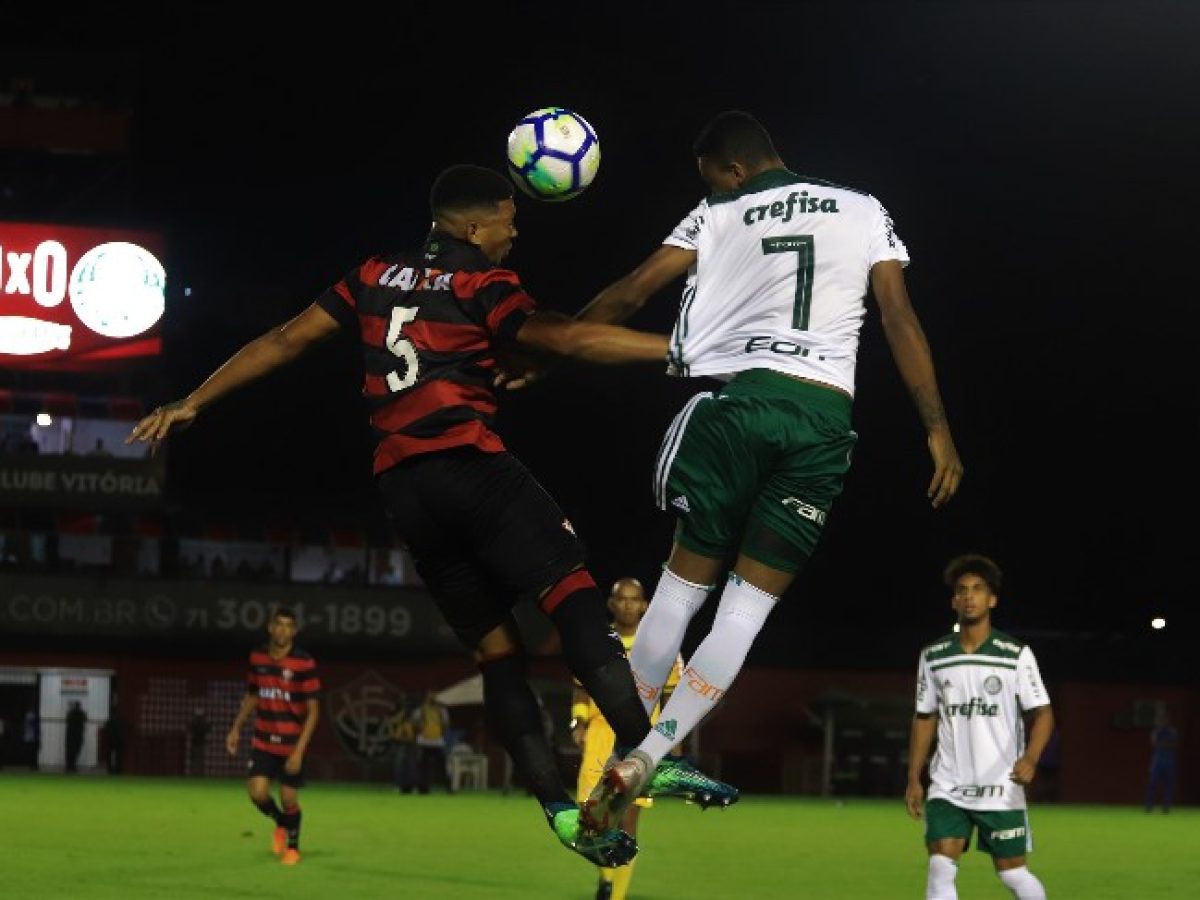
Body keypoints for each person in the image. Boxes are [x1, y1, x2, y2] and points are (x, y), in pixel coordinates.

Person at [125, 163, 732, 868]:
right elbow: (563, 337)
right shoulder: (484, 283)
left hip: (407, 494)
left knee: (497, 654)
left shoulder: (373, 273)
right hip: (473, 468)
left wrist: (195, 399)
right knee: (573, 600)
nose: (514, 231)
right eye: (509, 219)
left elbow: (286, 339)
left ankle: (561, 811)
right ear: (473, 227)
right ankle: (649, 752)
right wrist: (683, 353)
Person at [572, 109, 964, 830]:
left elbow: (631, 291)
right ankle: (650, 758)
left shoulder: (719, 210)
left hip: (743, 403)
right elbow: (899, 318)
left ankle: (622, 749)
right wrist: (937, 429)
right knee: (746, 613)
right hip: (822, 421)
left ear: (731, 170)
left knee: (679, 590)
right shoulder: (863, 207)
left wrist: (557, 343)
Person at [905, 554, 1054, 900]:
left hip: (1001, 785)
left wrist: (1031, 758)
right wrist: (914, 777)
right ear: (954, 600)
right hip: (948, 784)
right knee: (940, 867)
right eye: (962, 590)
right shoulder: (934, 655)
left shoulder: (1015, 654)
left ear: (992, 599)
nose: (969, 596)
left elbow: (1043, 714)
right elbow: (924, 717)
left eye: (977, 589)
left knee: (1014, 874)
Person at [571, 577, 683, 900]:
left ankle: (615, 894)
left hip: (640, 738)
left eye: (635, 599)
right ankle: (606, 877)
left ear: (645, 604)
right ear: (612, 604)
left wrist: (673, 739)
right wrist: (577, 722)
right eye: (623, 599)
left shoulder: (661, 644)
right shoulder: (595, 641)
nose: (629, 605)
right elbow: (580, 685)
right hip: (600, 736)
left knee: (629, 818)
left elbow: (673, 693)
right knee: (593, 815)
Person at [226, 606, 321, 866]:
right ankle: (281, 823)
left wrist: (299, 751)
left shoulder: (304, 662)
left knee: (289, 797)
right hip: (264, 740)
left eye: (289, 626)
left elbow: (314, 712)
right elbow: (253, 695)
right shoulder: (257, 657)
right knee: (257, 792)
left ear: (295, 631)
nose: (283, 630)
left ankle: (293, 848)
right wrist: (236, 727)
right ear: (270, 627)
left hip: (291, 743)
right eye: (278, 624)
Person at [411, 689, 452, 794]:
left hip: (437, 741)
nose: (432, 697)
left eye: (434, 695)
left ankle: (448, 787)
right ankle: (423, 788)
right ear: (426, 697)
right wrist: (419, 724)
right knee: (423, 766)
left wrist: (442, 728)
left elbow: (446, 723)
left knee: (441, 766)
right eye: (430, 695)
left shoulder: (441, 710)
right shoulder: (421, 709)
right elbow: (414, 722)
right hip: (423, 741)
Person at [1144, 707, 1178, 814]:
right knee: (1152, 783)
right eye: (1160, 720)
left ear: (1168, 720)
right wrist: (1164, 743)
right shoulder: (1156, 732)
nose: (1162, 722)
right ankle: (1149, 806)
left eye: (1164, 720)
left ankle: (1166, 806)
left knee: (1168, 784)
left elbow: (1173, 744)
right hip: (1157, 761)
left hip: (1169, 761)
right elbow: (1154, 744)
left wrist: (1163, 743)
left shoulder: (1173, 732)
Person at [389, 694, 418, 793]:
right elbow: (391, 722)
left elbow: (417, 725)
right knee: (399, 765)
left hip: (411, 741)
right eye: (403, 702)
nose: (405, 704)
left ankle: (412, 786)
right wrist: (392, 733)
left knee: (412, 765)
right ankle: (398, 785)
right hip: (399, 741)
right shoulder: (395, 712)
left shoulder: (415, 712)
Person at [64, 701, 86, 773]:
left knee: (70, 751)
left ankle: (69, 765)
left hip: (71, 735)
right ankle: (72, 765)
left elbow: (67, 720)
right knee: (75, 751)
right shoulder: (81, 713)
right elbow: (85, 719)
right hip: (77, 735)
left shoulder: (71, 713)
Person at [189, 707, 211, 776]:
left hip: (197, 743)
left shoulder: (194, 721)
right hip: (198, 743)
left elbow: (189, 730)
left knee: (196, 759)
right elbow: (209, 730)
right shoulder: (203, 722)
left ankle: (196, 773)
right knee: (198, 759)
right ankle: (198, 773)